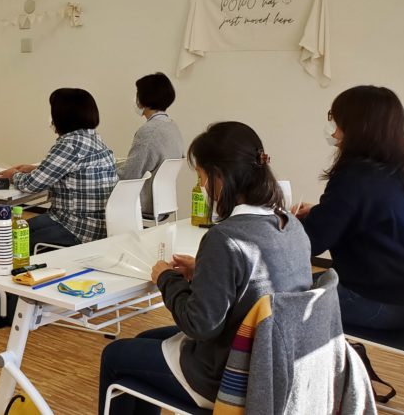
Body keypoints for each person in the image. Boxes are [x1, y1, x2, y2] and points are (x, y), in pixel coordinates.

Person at [98, 122, 312, 414]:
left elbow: (200, 326)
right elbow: (258, 279)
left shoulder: (225, 237)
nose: (201, 186)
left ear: (219, 176)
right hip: (272, 361)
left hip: (229, 374)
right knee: (144, 340)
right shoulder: (291, 224)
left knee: (115, 355)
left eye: (200, 176)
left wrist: (166, 279)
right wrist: (204, 269)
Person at [295, 86, 404, 330]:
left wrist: (284, 222)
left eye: (335, 118)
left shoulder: (355, 176)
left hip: (377, 302)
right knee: (300, 283)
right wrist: (319, 212)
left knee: (273, 298)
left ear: (356, 126)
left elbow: (312, 241)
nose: (332, 127)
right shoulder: (400, 170)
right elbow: (364, 216)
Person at [0, 88, 117, 252]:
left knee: (11, 237)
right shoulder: (94, 139)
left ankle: (24, 268)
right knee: (21, 229)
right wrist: (38, 169)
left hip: (76, 227)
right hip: (100, 225)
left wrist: (13, 175)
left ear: (63, 115)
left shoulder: (70, 144)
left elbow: (31, 185)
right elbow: (74, 171)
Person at [117, 72, 184, 219]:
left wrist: (104, 171)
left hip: (144, 203)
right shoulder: (172, 127)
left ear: (144, 98)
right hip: (164, 202)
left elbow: (130, 175)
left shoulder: (149, 131)